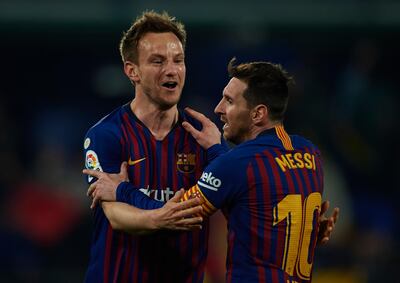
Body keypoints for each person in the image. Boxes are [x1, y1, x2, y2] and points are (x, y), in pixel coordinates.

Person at [84, 58, 339, 282]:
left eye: (229, 101)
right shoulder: (310, 154)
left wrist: (121, 189)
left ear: (258, 114)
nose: (218, 109)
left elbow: (176, 216)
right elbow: (255, 198)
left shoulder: (238, 163)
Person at [82, 10, 225, 283]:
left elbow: (234, 198)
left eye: (178, 60)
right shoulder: (106, 135)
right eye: (157, 61)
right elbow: (115, 215)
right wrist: (163, 218)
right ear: (131, 70)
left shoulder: (202, 137)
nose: (171, 70)